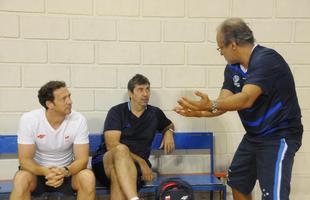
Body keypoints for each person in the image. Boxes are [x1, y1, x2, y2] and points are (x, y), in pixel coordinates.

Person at [174, 18, 303, 200]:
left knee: (273, 195)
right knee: (237, 181)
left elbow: (246, 99)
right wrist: (199, 112)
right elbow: (224, 102)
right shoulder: (232, 68)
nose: (220, 53)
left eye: (221, 48)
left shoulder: (266, 60)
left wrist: (210, 104)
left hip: (279, 136)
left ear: (233, 45)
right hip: (254, 136)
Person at [92, 74, 175, 200]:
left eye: (147, 89)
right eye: (140, 89)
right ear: (130, 93)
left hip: (132, 167)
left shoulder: (155, 113)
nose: (145, 93)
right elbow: (111, 145)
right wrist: (142, 162)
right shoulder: (117, 112)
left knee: (117, 175)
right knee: (121, 149)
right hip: (105, 162)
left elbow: (169, 125)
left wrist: (168, 132)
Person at [10, 81, 96, 200]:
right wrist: (45, 172)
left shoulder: (78, 120)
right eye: (64, 98)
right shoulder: (29, 120)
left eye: (69, 96)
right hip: (38, 172)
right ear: (50, 104)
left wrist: (65, 171)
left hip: (67, 172)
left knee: (88, 177)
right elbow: (25, 160)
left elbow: (82, 160)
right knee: (21, 179)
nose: (70, 101)